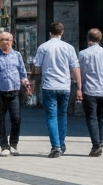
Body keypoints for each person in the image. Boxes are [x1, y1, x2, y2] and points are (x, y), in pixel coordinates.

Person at [32, 21, 82, 157]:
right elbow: (75, 68)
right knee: (62, 115)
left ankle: (56, 146)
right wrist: (79, 87)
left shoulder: (43, 47)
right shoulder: (69, 48)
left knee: (51, 116)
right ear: (62, 32)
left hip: (49, 85)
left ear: (50, 32)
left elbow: (37, 65)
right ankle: (61, 143)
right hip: (64, 86)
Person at [0, 31, 30, 156]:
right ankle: (4, 146)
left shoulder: (17, 55)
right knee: (0, 119)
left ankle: (13, 144)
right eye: (2, 40)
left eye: (7, 39)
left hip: (14, 92)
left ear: (12, 41)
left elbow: (22, 73)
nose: (5, 42)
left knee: (16, 118)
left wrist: (27, 84)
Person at [79, 28, 103, 157]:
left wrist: (79, 88)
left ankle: (96, 145)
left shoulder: (83, 54)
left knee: (91, 118)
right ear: (100, 39)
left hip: (90, 90)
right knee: (100, 117)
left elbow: (81, 73)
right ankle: (100, 142)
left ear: (88, 39)